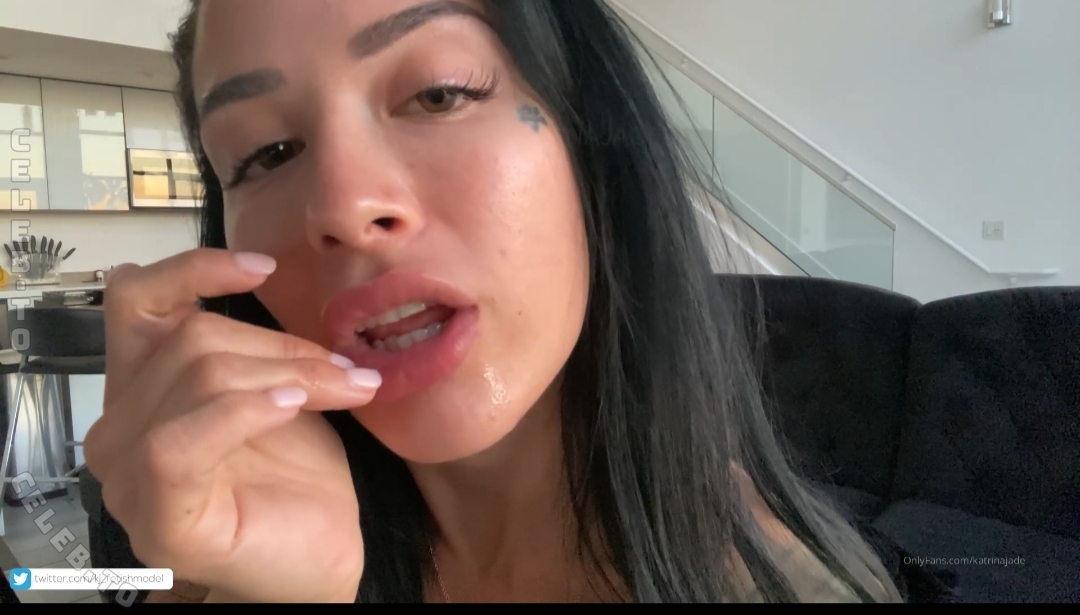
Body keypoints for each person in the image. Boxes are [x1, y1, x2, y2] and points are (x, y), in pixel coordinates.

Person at [83, 0, 903, 603]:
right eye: (266, 153)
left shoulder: (792, 585)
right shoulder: (220, 550)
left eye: (438, 93)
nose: (340, 204)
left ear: (587, 137)